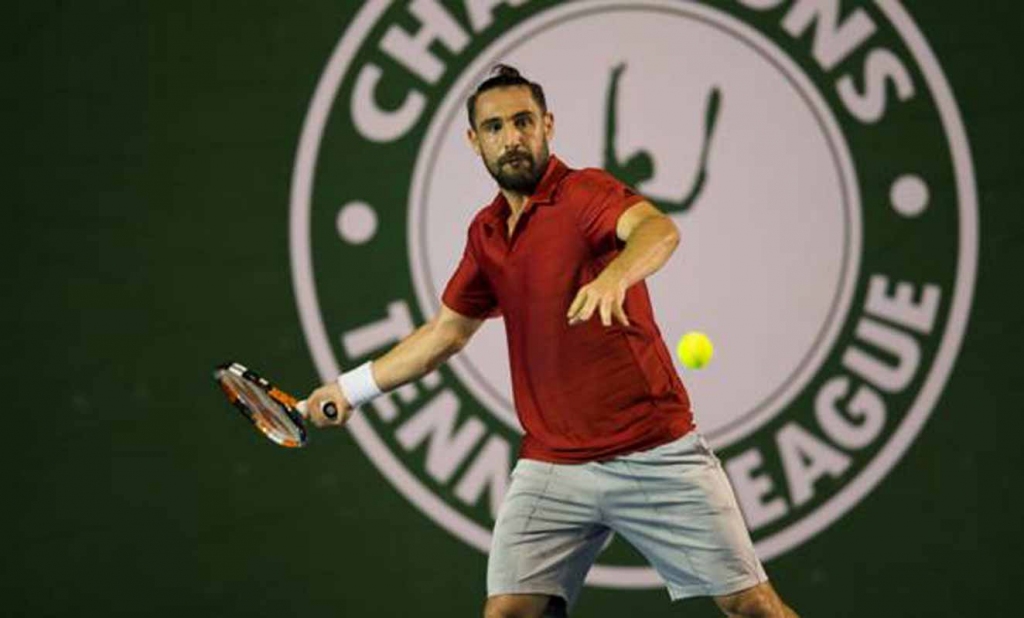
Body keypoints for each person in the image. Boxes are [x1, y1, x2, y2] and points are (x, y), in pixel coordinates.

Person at [305, 65, 798, 618]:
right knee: (507, 613)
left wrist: (615, 276)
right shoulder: (487, 233)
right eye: (494, 127)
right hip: (552, 465)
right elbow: (445, 333)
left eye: (523, 122)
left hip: (652, 450)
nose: (512, 138)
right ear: (474, 141)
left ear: (547, 125)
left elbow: (659, 230)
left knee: (751, 606)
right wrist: (349, 390)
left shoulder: (584, 192)